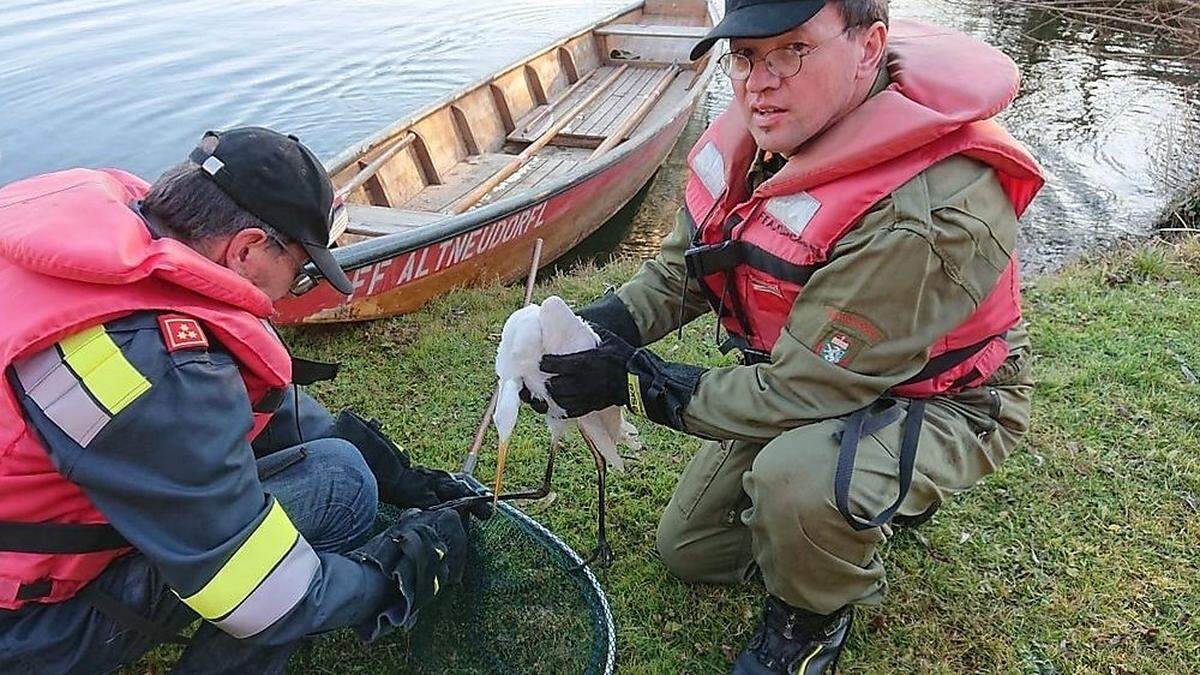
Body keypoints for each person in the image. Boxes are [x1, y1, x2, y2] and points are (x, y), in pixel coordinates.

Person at [533, 1, 1044, 672]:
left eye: (791, 51)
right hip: (822, 368)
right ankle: (855, 510)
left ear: (869, 47)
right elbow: (681, 269)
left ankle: (813, 617)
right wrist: (602, 325)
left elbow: (801, 387)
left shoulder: (922, 213)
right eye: (745, 56)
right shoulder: (765, 136)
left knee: (795, 482)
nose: (758, 82)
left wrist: (634, 381)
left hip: (945, 397)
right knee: (690, 548)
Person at [0, 127, 488, 674]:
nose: (291, 291)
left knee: (345, 465)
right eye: (301, 273)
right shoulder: (156, 370)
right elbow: (261, 597)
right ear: (247, 248)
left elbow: (229, 424)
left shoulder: (78, 231)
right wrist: (393, 577)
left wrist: (399, 474)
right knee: (340, 489)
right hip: (20, 635)